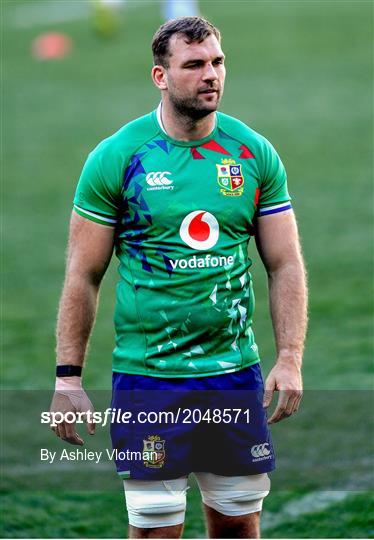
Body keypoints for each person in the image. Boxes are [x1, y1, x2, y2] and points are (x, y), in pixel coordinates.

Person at [50, 16, 307, 539]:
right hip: (148, 380)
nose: (210, 74)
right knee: (155, 531)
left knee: (238, 525)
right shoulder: (117, 158)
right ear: (160, 77)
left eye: (217, 62)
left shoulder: (253, 153)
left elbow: (285, 263)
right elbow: (83, 275)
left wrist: (289, 357)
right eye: (194, 65)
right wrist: (67, 378)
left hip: (233, 376)